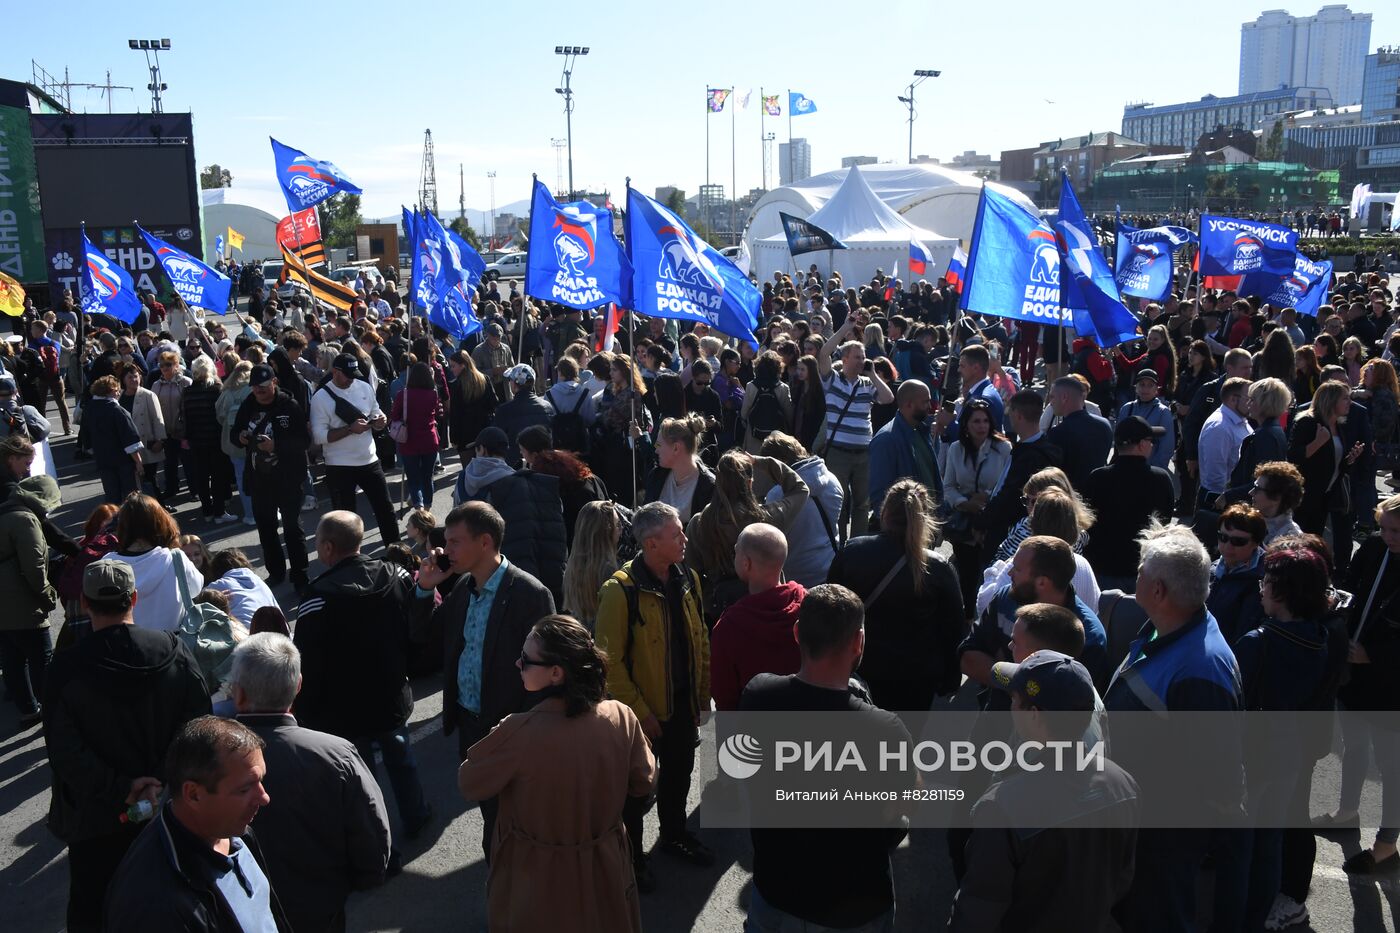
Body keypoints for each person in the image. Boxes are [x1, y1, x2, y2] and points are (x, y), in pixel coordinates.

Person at [458, 615, 657, 932]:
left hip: (538, 875)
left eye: (526, 659)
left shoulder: (518, 731)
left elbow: (469, 782)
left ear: (556, 673)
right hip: (605, 864)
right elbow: (644, 780)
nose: (517, 663)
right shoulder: (622, 716)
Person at [42, 560, 211, 933]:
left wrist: (123, 787)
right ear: (134, 598)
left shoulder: (66, 668)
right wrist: (160, 781)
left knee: (94, 911)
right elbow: (199, 727)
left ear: (85, 603)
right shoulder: (173, 650)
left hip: (97, 822)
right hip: (169, 810)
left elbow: (64, 751)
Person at [740, 583, 911, 932]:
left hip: (775, 894)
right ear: (858, 642)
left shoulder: (758, 695)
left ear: (797, 632)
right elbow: (902, 806)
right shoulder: (885, 729)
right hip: (855, 908)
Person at [1105, 522, 1243, 933]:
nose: (1134, 578)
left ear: (1158, 591)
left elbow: (1216, 773)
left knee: (1158, 917)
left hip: (1163, 838)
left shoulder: (1202, 671)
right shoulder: (1166, 626)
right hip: (1139, 823)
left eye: (1140, 573)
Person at [949, 651, 1139, 933]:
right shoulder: (1124, 784)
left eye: (1014, 699)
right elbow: (1122, 879)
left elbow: (978, 910)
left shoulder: (1001, 806)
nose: (1011, 706)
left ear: (1034, 715)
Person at [412, 501, 556, 859]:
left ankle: (507, 872)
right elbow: (424, 644)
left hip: (510, 729)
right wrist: (425, 589)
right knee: (490, 807)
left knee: (513, 816)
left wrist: (524, 727)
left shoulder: (530, 594)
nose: (445, 550)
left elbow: (549, 672)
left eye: (455, 542)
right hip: (471, 725)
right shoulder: (463, 587)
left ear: (485, 542)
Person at [230, 633, 392, 933]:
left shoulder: (207, 759)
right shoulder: (336, 753)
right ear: (298, 685)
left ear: (238, 694)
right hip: (321, 908)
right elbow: (371, 834)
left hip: (239, 914)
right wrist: (362, 879)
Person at [294, 511, 432, 844]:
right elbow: (415, 626)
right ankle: (416, 816)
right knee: (402, 759)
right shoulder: (397, 575)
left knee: (362, 780)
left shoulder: (316, 598)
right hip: (391, 694)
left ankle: (379, 845)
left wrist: (307, 713)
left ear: (328, 547)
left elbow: (308, 662)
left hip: (345, 709)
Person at [595, 501, 713, 888]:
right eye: (677, 534)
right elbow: (609, 663)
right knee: (635, 791)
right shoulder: (619, 591)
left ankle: (674, 835)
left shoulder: (688, 578)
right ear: (651, 544)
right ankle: (632, 858)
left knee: (678, 776)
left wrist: (701, 696)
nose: (685, 539)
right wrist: (640, 712)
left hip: (681, 706)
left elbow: (701, 639)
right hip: (640, 717)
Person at [103, 716, 288, 932]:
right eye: (244, 789)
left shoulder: (234, 832)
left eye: (261, 780)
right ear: (194, 794)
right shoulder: (156, 906)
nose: (264, 798)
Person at [1233, 545, 1334, 931]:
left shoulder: (1258, 642)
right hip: (1289, 747)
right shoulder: (1319, 636)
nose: (1261, 587)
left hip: (1252, 752)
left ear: (1284, 591)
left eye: (1267, 581)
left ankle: (1235, 916)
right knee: (1270, 840)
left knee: (1240, 845)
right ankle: (1261, 914)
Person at [828, 478, 964, 710]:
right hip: (916, 678)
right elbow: (952, 630)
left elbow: (830, 611)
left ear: (884, 513)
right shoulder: (937, 567)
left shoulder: (853, 552)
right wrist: (951, 677)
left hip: (861, 669)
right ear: (925, 517)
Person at [1319, 495, 1400, 875]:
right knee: (1353, 745)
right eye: (1383, 528)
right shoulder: (1374, 549)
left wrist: (1375, 655)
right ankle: (1347, 811)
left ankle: (1387, 843)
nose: (1388, 536)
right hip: (1355, 672)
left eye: (1396, 531)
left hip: (1390, 684)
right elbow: (1350, 586)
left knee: (1391, 765)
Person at [685, 451, 809, 623]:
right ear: (749, 483)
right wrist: (760, 461)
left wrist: (709, 600)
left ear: (718, 483)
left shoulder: (699, 523)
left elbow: (691, 572)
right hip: (766, 608)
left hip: (719, 613)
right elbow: (800, 488)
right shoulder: (767, 519)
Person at [454, 426, 568, 604]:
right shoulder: (516, 481)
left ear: (482, 449)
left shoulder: (463, 479)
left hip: (471, 558)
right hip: (504, 561)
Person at [231, 364, 312, 589]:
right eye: (255, 386)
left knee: (292, 529)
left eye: (264, 385)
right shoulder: (248, 404)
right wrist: (241, 437)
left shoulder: (290, 405)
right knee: (266, 530)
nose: (259, 390)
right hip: (260, 479)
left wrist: (276, 445)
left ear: (274, 382)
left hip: (288, 479)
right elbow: (234, 433)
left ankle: (300, 576)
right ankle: (276, 572)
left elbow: (304, 441)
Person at [816, 310, 895, 537]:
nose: (862, 361)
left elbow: (888, 398)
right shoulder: (832, 380)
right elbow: (823, 353)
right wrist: (845, 328)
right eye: (857, 357)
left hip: (863, 453)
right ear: (845, 359)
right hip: (838, 452)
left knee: (862, 503)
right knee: (839, 500)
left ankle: (856, 543)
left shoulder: (867, 384)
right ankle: (839, 542)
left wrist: (873, 375)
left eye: (863, 357)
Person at [709, 524, 805, 711]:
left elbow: (724, 696)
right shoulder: (809, 606)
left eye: (736, 551)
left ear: (746, 563)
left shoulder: (729, 627)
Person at [310, 353, 400, 547]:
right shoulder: (321, 398)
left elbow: (376, 412)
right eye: (348, 375)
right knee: (344, 521)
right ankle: (348, 559)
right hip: (339, 466)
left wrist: (381, 421)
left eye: (354, 374)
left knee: (385, 509)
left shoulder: (364, 387)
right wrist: (350, 429)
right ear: (335, 372)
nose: (352, 379)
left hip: (369, 460)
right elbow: (319, 436)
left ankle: (397, 553)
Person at [1082, 416, 1175, 593]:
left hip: (1101, 571)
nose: (1152, 445)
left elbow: (1085, 523)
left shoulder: (1097, 478)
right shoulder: (1160, 480)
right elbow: (1163, 526)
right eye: (1150, 440)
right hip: (1143, 573)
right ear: (1141, 445)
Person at [942, 397, 1013, 611]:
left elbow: (1007, 485)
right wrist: (964, 502)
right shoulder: (956, 449)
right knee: (966, 576)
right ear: (966, 425)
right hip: (964, 525)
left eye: (985, 421)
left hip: (991, 524)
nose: (982, 426)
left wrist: (986, 500)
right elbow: (948, 486)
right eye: (976, 421)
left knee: (988, 576)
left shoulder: (1003, 448)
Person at [973, 390, 1063, 559]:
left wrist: (981, 522)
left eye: (1011, 411)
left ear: (1018, 415)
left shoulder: (1030, 457)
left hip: (1010, 538)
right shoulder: (1046, 449)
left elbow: (1009, 497)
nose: (1009, 416)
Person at [0, 474, 60, 724]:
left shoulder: (5, 512)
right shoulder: (25, 520)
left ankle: (28, 709)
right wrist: (48, 595)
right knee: (41, 657)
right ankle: (52, 710)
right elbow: (34, 567)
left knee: (11, 659)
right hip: (22, 603)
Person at [108, 494, 206, 632]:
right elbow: (195, 589)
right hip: (173, 640)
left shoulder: (107, 564)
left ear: (123, 526)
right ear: (160, 523)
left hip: (129, 641)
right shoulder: (176, 558)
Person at [758, 431, 844, 588]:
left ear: (780, 463)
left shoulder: (778, 495)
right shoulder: (833, 481)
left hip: (796, 578)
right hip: (830, 569)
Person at [1288, 378, 1364, 536]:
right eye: (1345, 398)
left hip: (1325, 497)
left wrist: (1349, 460)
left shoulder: (1338, 425)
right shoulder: (1308, 422)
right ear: (1331, 400)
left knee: (1315, 540)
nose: (1350, 402)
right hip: (1304, 497)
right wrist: (1317, 442)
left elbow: (1332, 463)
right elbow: (1293, 457)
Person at [868, 378, 941, 525]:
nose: (929, 406)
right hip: (904, 529)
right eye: (925, 402)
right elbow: (879, 497)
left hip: (925, 523)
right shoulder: (886, 441)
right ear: (909, 404)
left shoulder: (921, 431)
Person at [1207, 504, 1268, 645]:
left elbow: (1242, 637)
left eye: (1238, 541)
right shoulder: (1214, 567)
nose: (1228, 546)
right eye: (1223, 537)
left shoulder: (1262, 583)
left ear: (1256, 543)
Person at [180, 356, 231, 521]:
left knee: (201, 476)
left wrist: (187, 436)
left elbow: (185, 416)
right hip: (215, 439)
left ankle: (207, 511)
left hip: (196, 440)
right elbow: (222, 415)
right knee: (217, 476)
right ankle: (219, 512)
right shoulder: (216, 389)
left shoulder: (187, 392)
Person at [390, 361, 444, 509]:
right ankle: (427, 507)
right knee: (427, 477)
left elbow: (394, 416)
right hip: (429, 439)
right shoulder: (433, 394)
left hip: (409, 440)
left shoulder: (403, 395)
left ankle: (418, 507)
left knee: (413, 478)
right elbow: (438, 414)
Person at [1045, 376, 1113, 491]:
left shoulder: (1058, 433)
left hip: (1070, 495)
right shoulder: (1105, 425)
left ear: (1064, 397)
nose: (1050, 402)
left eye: (1052, 397)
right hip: (1099, 492)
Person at [83, 375, 144, 503]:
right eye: (116, 390)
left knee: (111, 496)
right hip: (123, 461)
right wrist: (138, 462)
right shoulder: (117, 410)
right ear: (109, 391)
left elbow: (86, 436)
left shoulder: (89, 408)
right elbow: (129, 438)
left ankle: (113, 516)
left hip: (103, 461)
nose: (119, 393)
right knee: (131, 497)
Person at [561, 500, 621, 630]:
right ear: (606, 530)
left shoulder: (572, 567)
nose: (620, 530)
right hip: (605, 635)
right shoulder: (610, 571)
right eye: (617, 525)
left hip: (581, 633)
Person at [643, 414, 715, 523]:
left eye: (659, 445)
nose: (656, 450)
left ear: (676, 448)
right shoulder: (656, 476)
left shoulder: (709, 486)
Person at [150, 350, 192, 504]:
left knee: (188, 462)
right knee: (169, 462)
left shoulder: (186, 382)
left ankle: (194, 490)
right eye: (161, 365)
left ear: (176, 365)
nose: (164, 368)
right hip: (165, 431)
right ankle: (171, 488)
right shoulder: (156, 385)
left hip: (183, 431)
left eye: (168, 364)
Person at [491, 363, 553, 467]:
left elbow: (496, 440)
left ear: (514, 384)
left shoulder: (504, 410)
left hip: (514, 465)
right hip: (543, 464)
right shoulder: (547, 407)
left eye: (510, 380)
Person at [1117, 369, 1176, 471]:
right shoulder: (1126, 408)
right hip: (1125, 466)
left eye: (1150, 385)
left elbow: (1166, 446)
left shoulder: (1163, 412)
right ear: (1136, 387)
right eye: (1142, 384)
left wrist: (1155, 470)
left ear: (1156, 389)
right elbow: (1118, 438)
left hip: (1149, 468)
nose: (1145, 389)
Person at [205, 548, 278, 629]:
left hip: (250, 634)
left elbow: (197, 601)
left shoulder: (220, 584)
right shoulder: (257, 579)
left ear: (215, 570)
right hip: (281, 630)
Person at [740, 349, 793, 454]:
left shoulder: (751, 386)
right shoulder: (783, 388)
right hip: (776, 438)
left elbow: (744, 413)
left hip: (754, 435)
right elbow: (789, 415)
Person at [1250, 460, 1306, 543]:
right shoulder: (1250, 522)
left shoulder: (1290, 539)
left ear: (1276, 498)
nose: (1251, 492)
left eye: (1257, 489)